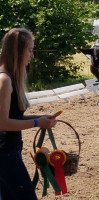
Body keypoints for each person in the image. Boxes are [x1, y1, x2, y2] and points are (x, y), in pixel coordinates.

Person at [0, 28, 57, 200]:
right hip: (4, 155)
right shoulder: (4, 80)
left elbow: (13, 118)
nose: (31, 55)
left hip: (10, 152)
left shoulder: (10, 78)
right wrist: (36, 123)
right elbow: (3, 123)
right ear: (18, 51)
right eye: (30, 50)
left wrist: (39, 119)